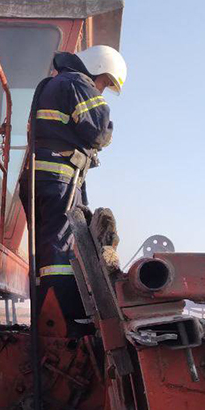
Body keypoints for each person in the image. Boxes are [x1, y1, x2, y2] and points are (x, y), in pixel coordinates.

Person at [20, 45, 127, 336]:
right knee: (62, 246)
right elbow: (99, 132)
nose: (101, 90)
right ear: (97, 68)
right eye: (104, 82)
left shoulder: (52, 85)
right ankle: (65, 318)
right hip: (59, 178)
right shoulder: (77, 83)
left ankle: (46, 314)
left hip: (38, 178)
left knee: (45, 250)